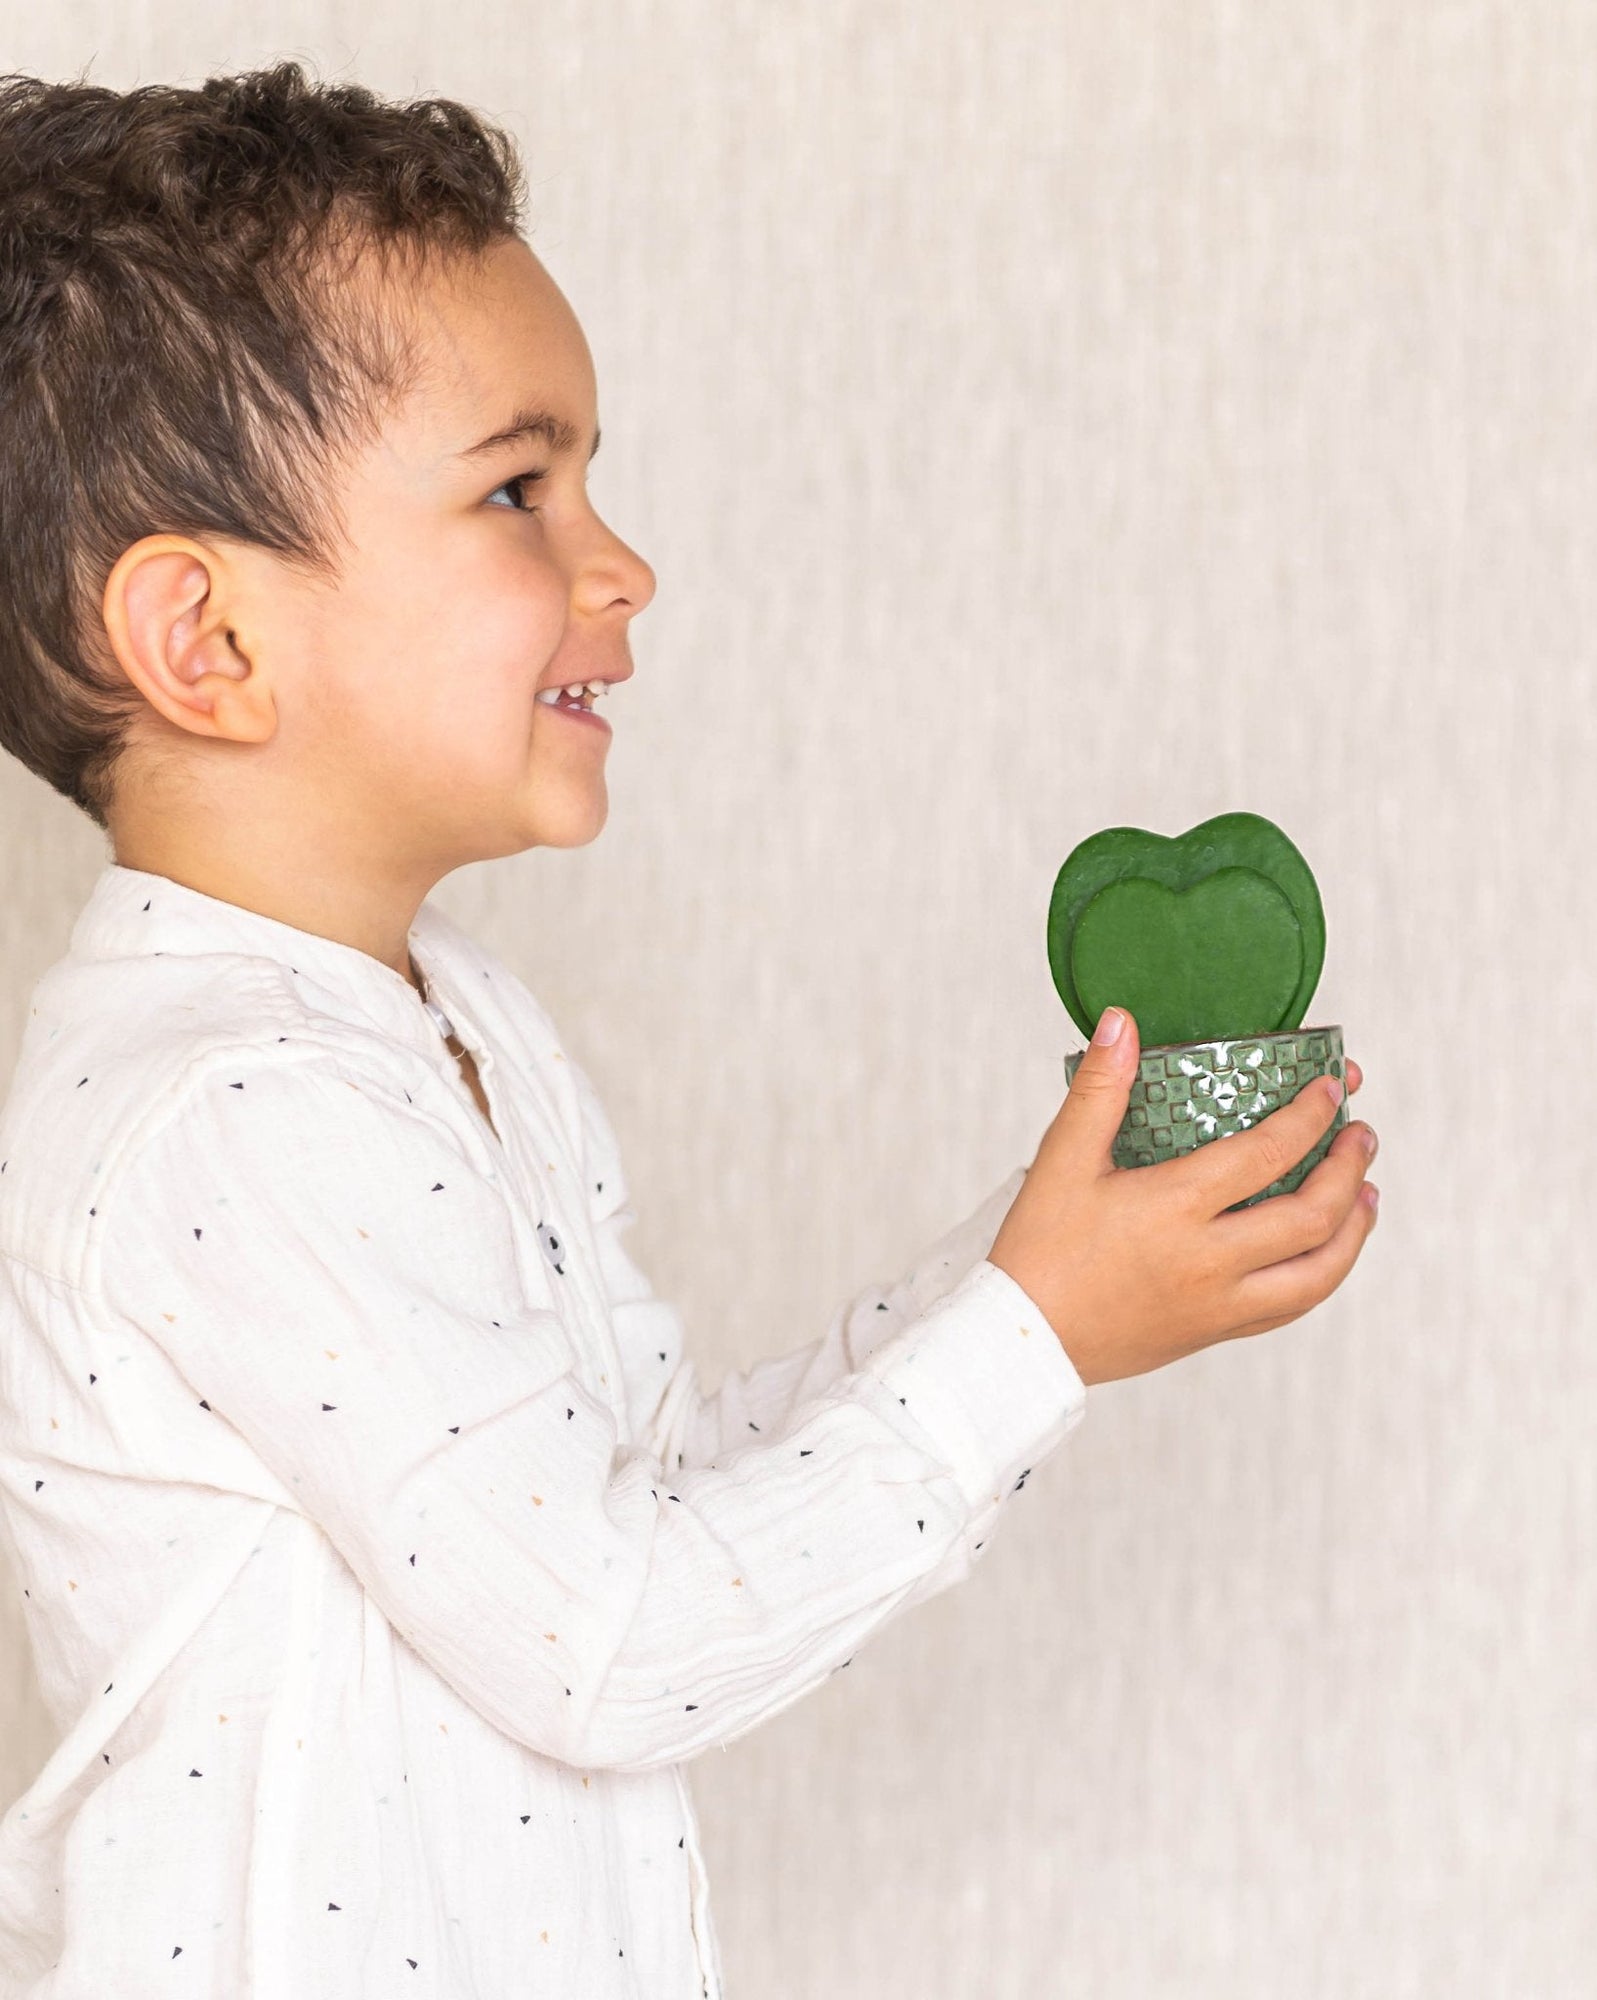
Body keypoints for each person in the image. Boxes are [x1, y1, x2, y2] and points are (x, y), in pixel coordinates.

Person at [0, 61, 1379, 1999]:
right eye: (514, 486)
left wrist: (1029, 1272)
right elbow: (611, 1639)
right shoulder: (223, 1113)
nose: (616, 562)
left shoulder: (444, 1021)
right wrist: (1039, 1335)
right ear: (207, 643)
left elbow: (638, 1496)